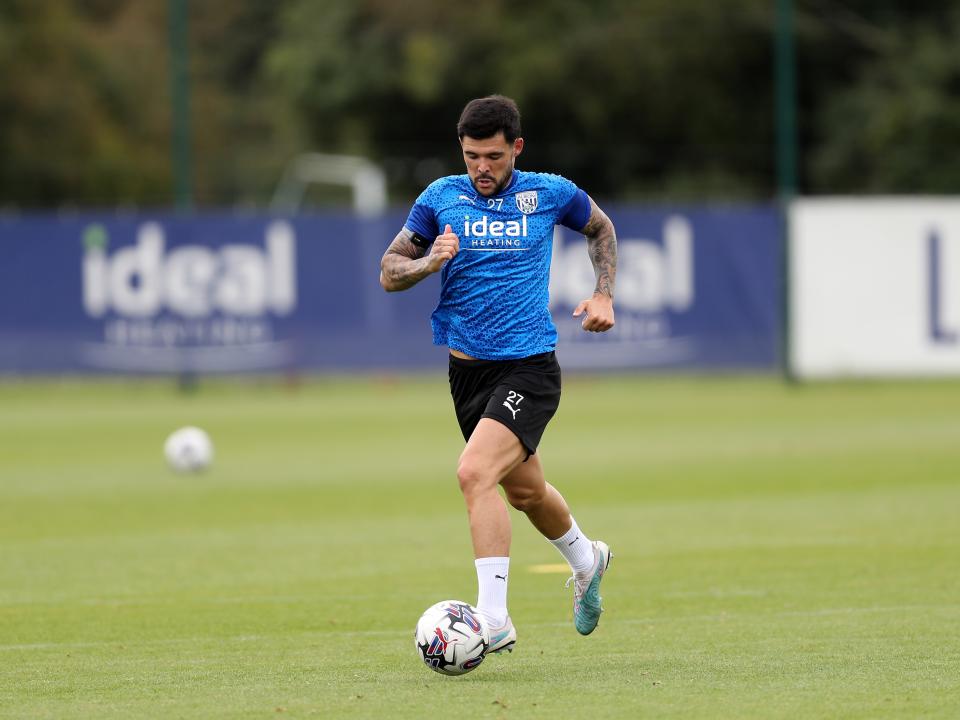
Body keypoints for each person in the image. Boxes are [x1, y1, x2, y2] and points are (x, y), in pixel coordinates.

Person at [380, 95, 617, 655]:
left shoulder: (549, 192)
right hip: (466, 376)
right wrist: (428, 263)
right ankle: (589, 560)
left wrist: (604, 293)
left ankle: (494, 618)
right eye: (470, 157)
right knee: (526, 492)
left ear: (516, 148)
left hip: (530, 366)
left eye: (491, 155)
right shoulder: (440, 198)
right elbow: (390, 272)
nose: (481, 168)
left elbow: (600, 227)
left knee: (473, 473)